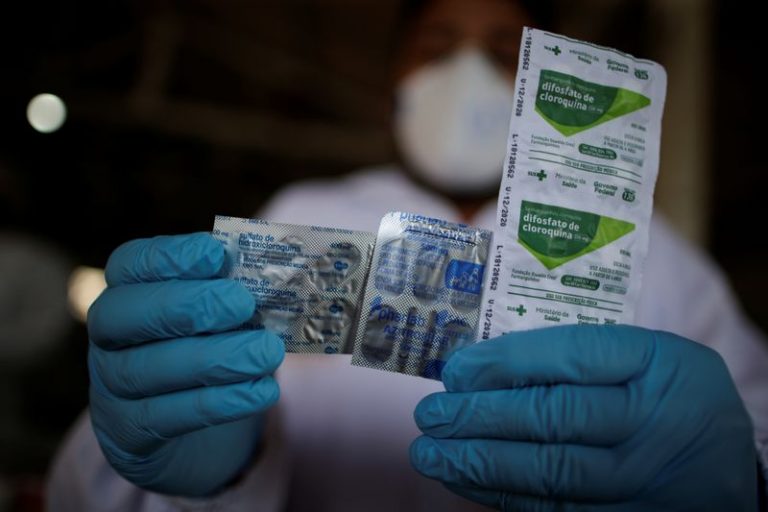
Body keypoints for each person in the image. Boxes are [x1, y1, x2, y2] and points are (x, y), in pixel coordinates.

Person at [47, 0, 768, 510]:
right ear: (393, 82)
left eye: (501, 53)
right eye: (437, 46)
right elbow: (80, 490)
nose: (468, 74)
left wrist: (746, 479)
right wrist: (200, 471)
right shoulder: (306, 215)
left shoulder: (659, 259)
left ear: (550, 84)